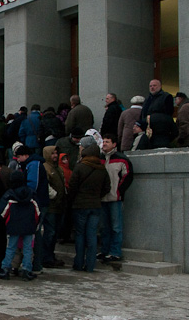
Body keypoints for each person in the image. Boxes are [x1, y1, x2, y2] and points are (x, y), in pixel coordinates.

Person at [68, 137, 110, 272]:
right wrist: (97, 196)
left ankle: (79, 263)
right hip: (96, 205)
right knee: (91, 236)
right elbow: (107, 187)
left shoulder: (80, 167)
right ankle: (91, 265)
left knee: (80, 235)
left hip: (80, 205)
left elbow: (73, 186)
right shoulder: (101, 168)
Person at [0, 170, 40, 281]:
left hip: (13, 225)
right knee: (28, 248)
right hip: (29, 225)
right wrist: (36, 223)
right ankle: (26, 270)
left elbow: (2, 212)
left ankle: (5, 269)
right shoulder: (31, 193)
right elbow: (38, 211)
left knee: (11, 248)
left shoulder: (9, 194)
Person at [14, 145, 50, 274]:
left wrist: (23, 196)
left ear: (25, 155)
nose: (17, 159)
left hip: (37, 202)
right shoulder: (32, 164)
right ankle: (33, 264)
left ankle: (36, 264)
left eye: (18, 157)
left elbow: (32, 185)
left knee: (35, 233)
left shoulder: (33, 165)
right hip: (38, 201)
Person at [99, 134, 133, 263]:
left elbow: (128, 176)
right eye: (103, 141)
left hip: (115, 198)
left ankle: (115, 252)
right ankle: (104, 250)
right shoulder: (99, 158)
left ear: (114, 144)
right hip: (102, 198)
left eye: (107, 141)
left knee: (116, 227)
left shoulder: (122, 159)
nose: (105, 144)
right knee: (104, 227)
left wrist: (119, 190)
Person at [42, 146, 66, 268]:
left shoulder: (58, 168)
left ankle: (50, 255)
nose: (55, 155)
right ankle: (46, 257)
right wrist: (55, 195)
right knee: (50, 233)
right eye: (52, 153)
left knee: (54, 233)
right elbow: (46, 186)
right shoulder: (46, 168)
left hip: (59, 205)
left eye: (56, 153)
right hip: (51, 206)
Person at [141, 79, 176, 148]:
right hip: (149, 126)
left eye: (154, 85)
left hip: (161, 127)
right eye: (150, 86)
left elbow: (169, 112)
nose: (152, 87)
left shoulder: (166, 96)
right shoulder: (148, 98)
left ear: (160, 86)